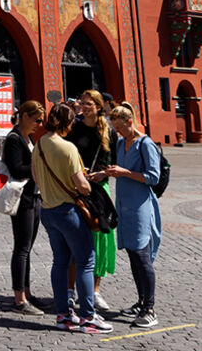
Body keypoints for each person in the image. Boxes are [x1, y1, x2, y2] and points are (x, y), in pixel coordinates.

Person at [32, 102, 110, 334]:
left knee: (60, 262)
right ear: (67, 123)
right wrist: (87, 184)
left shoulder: (40, 145)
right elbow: (82, 186)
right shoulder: (68, 148)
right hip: (69, 211)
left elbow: (35, 176)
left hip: (48, 210)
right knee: (86, 261)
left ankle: (63, 315)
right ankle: (88, 316)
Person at [99, 105, 162, 329]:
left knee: (142, 256)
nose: (117, 131)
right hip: (124, 205)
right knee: (133, 256)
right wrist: (103, 173)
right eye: (114, 127)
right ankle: (141, 301)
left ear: (129, 122)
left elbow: (153, 177)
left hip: (141, 206)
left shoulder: (146, 144)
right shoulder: (119, 142)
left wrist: (125, 173)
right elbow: (118, 168)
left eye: (119, 127)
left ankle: (150, 309)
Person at [68, 90, 115, 313]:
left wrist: (102, 174)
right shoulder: (74, 129)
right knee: (75, 241)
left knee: (100, 242)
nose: (84, 107)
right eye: (82, 103)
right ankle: (71, 291)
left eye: (88, 104)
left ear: (98, 106)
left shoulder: (108, 131)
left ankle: (95, 291)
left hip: (99, 191)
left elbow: (113, 161)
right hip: (76, 188)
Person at [2, 101, 46, 313]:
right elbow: (17, 169)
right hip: (22, 200)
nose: (40, 124)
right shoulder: (13, 139)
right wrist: (39, 166)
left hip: (34, 198)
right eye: (37, 120)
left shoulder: (29, 138)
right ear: (25, 116)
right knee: (21, 248)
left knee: (27, 248)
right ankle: (19, 299)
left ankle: (27, 292)